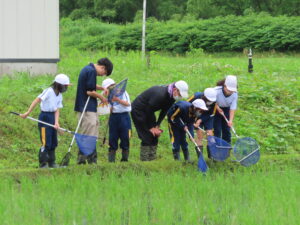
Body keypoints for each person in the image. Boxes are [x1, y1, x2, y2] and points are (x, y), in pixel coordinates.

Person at [20, 74, 71, 168]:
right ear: (59, 84)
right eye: (65, 85)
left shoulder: (59, 95)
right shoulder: (48, 91)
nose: (66, 87)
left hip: (52, 117)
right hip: (44, 117)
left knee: (53, 141)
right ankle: (43, 164)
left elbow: (57, 109)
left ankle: (52, 163)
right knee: (45, 141)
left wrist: (56, 122)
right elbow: (37, 100)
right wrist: (27, 112)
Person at [131, 80, 189, 161]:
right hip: (139, 110)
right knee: (147, 136)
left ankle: (151, 159)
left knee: (155, 136)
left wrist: (157, 125)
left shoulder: (172, 96)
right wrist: (152, 127)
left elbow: (164, 111)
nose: (180, 97)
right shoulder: (161, 94)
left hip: (149, 111)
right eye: (180, 94)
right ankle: (144, 161)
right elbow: (149, 109)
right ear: (175, 90)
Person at [74, 57, 113, 164]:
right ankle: (82, 160)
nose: (102, 75)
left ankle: (92, 159)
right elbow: (89, 91)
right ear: (103, 67)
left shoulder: (88, 69)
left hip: (89, 107)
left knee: (93, 132)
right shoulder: (91, 71)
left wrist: (102, 88)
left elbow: (91, 85)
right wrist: (102, 98)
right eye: (104, 73)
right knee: (88, 133)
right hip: (86, 108)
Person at [101, 78, 132, 162]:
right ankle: (111, 161)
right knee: (112, 138)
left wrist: (117, 100)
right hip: (113, 117)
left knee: (125, 138)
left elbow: (127, 104)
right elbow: (104, 106)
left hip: (124, 117)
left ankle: (124, 160)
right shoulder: (107, 95)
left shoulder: (123, 93)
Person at [187, 88, 217, 158]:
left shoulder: (214, 101)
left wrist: (201, 120)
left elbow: (212, 113)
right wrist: (192, 120)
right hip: (196, 115)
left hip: (208, 117)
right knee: (200, 136)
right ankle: (200, 157)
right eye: (209, 100)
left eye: (211, 101)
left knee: (210, 135)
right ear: (204, 97)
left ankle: (211, 157)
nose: (210, 102)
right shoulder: (196, 96)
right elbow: (187, 105)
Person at [214, 75, 238, 144]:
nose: (230, 92)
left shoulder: (235, 94)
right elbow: (212, 101)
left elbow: (232, 108)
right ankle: (217, 146)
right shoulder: (216, 91)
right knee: (217, 130)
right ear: (224, 86)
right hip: (215, 109)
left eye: (232, 91)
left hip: (227, 110)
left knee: (227, 129)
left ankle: (226, 146)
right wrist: (218, 108)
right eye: (229, 90)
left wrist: (230, 120)